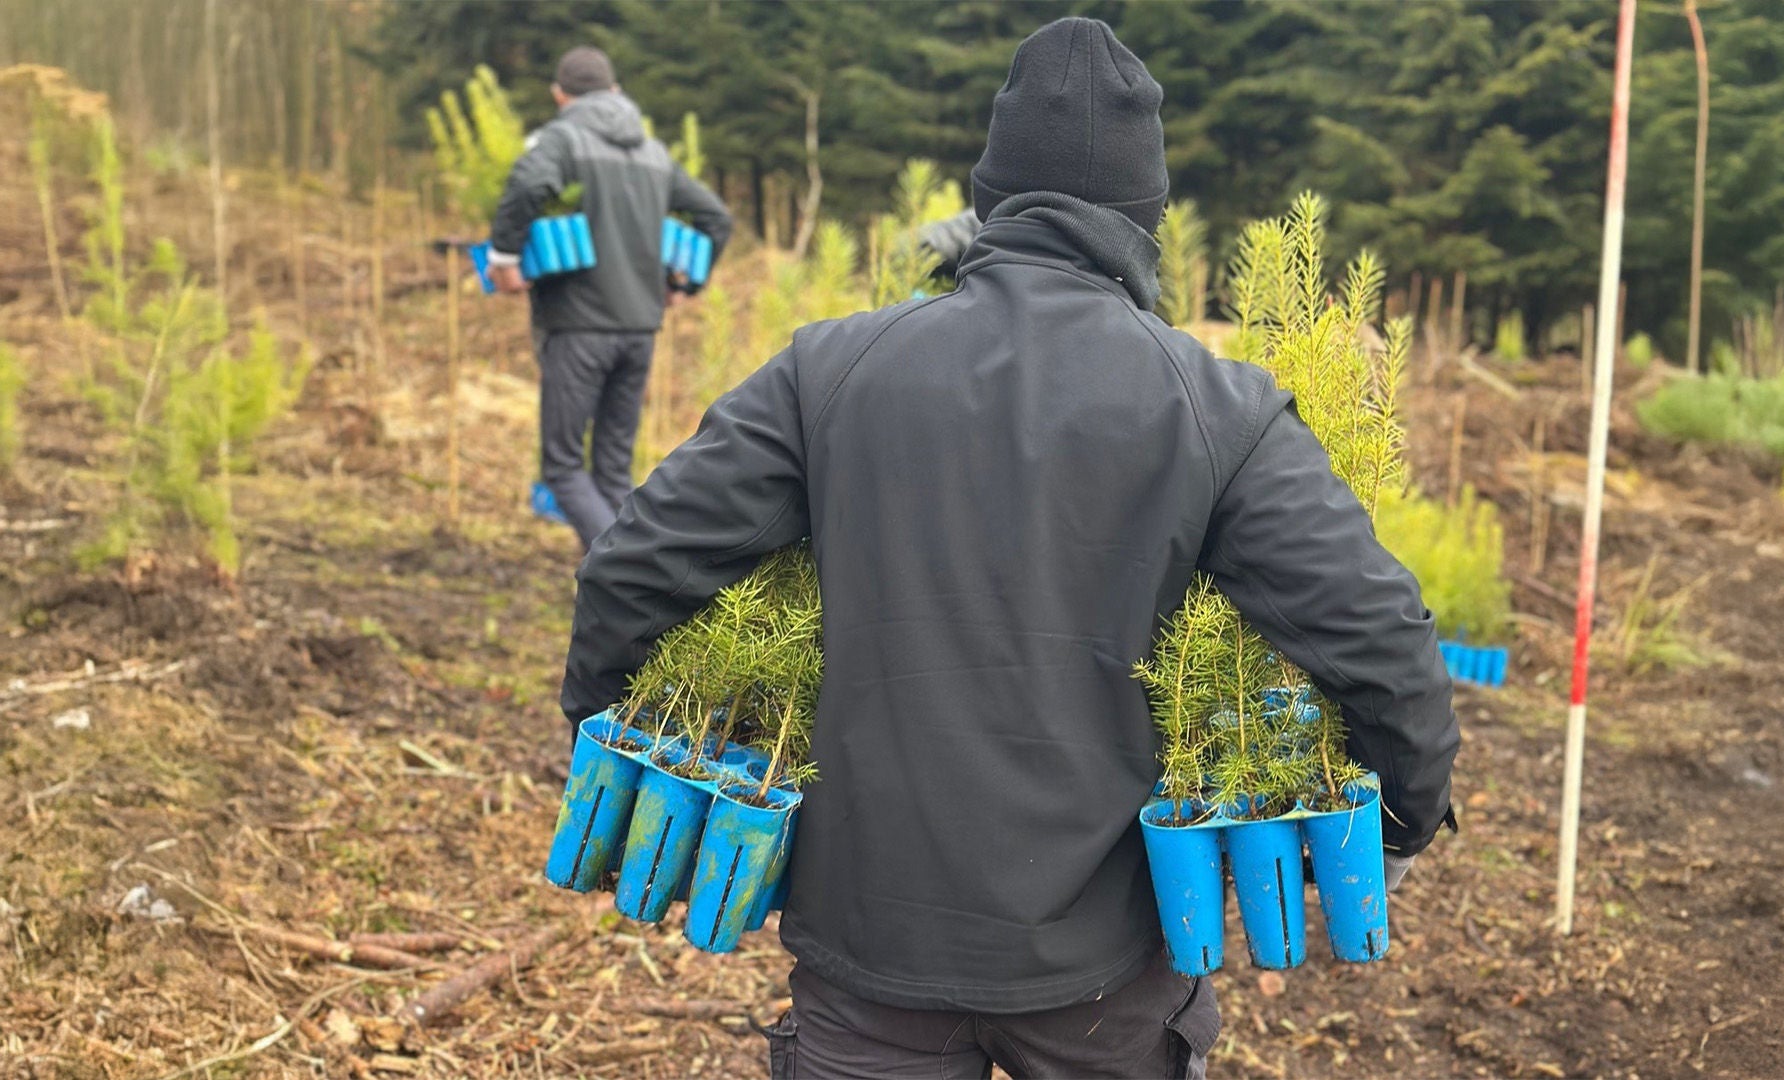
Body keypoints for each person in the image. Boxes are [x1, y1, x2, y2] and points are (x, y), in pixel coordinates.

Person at [560, 17, 1456, 1079]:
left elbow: (638, 561)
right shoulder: (1217, 408)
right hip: (1106, 975)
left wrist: (600, 715)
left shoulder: (831, 371)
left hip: (868, 957)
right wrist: (1405, 806)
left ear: (987, 201)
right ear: (1143, 220)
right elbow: (1376, 630)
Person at [486, 45, 733, 550]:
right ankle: (632, 595)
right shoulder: (653, 152)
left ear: (560, 95)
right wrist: (681, 285)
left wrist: (505, 260)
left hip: (578, 328)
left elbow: (529, 182)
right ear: (616, 92)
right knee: (613, 472)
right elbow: (716, 219)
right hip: (640, 330)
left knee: (561, 468)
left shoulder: (564, 139)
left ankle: (624, 578)